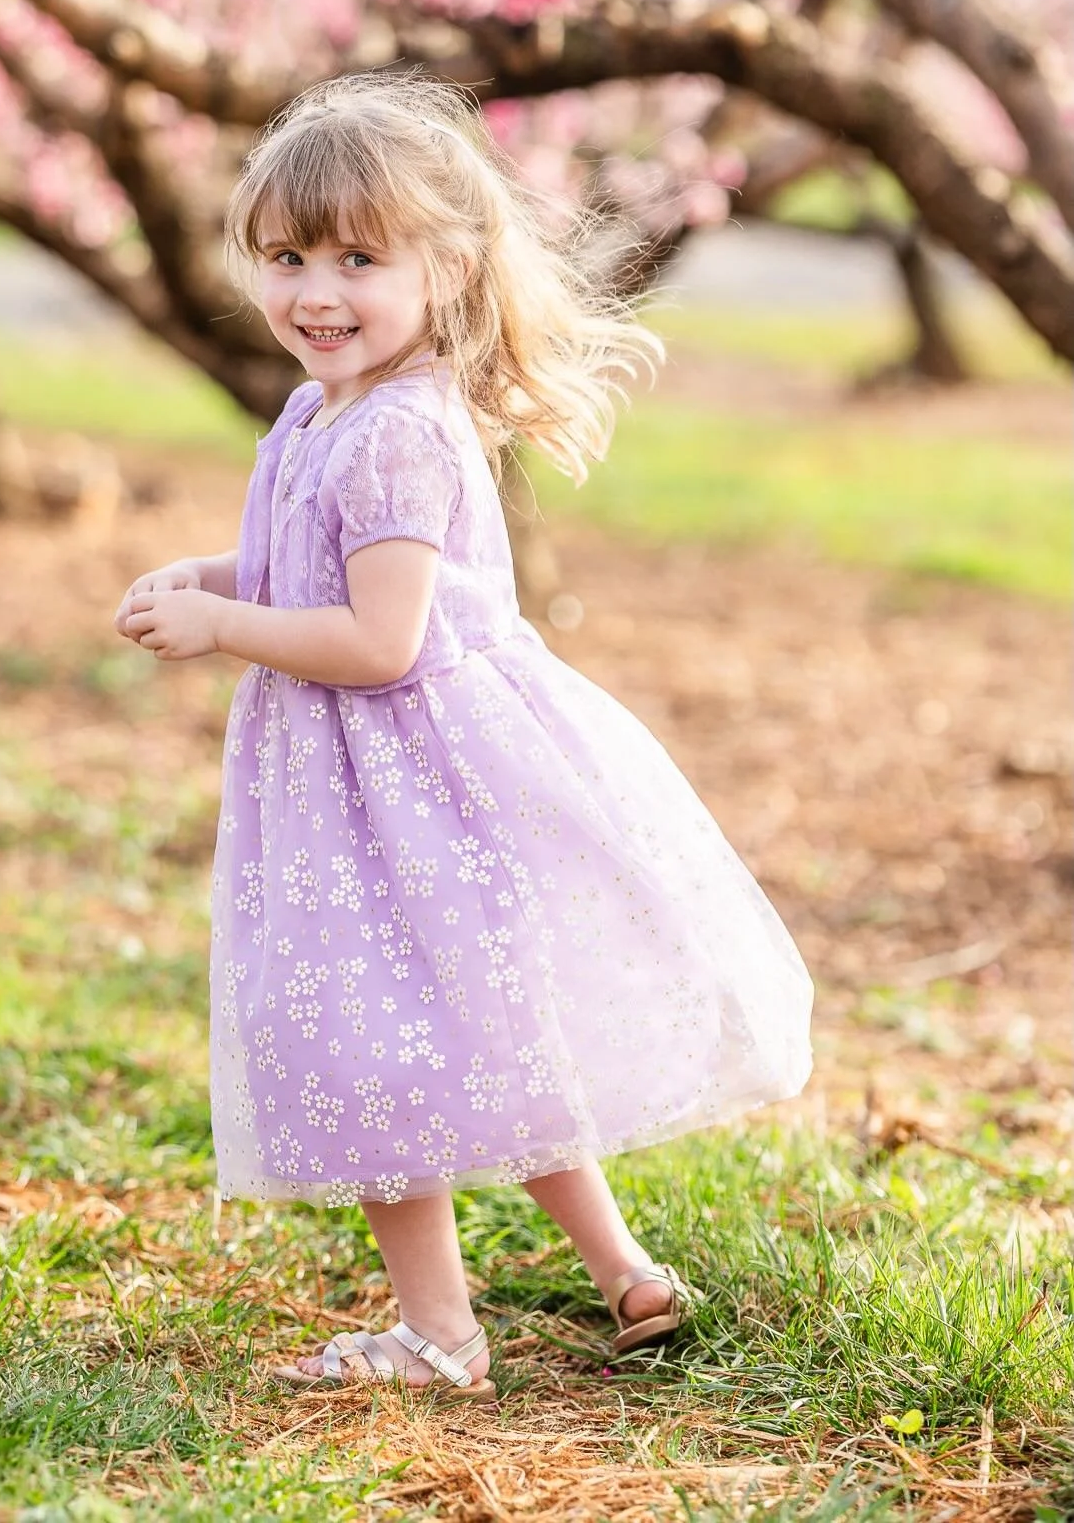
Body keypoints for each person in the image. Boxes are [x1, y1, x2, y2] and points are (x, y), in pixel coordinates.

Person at [115, 71, 813, 1403]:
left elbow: (379, 641)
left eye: (358, 259)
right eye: (288, 257)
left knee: (382, 1042)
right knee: (483, 1033)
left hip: (402, 777)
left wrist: (225, 630)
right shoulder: (329, 411)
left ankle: (439, 1334)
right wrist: (210, 577)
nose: (316, 291)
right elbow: (296, 561)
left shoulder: (395, 435)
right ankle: (626, 1274)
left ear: (443, 273)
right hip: (376, 781)